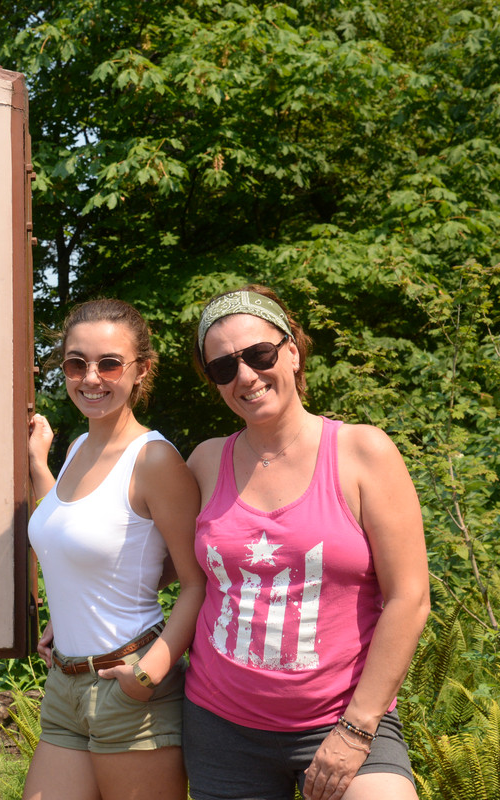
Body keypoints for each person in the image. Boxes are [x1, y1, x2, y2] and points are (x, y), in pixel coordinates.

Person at [183, 285, 430, 800]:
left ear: (292, 352)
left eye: (259, 354)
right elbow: (159, 568)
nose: (246, 376)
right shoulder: (205, 462)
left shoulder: (362, 452)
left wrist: (357, 728)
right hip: (221, 726)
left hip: (344, 718)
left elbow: (410, 598)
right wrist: (72, 624)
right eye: (223, 368)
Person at [24, 298, 204, 800]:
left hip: (131, 687)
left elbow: (196, 581)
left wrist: (149, 674)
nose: (91, 377)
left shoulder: (154, 461)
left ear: (140, 370)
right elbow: (71, 533)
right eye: (76, 363)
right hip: (65, 685)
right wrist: (40, 464)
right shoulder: (80, 447)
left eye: (108, 363)